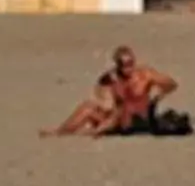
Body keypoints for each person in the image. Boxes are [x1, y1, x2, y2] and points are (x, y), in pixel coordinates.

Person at [43, 46, 178, 138]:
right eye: (124, 65)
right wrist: (106, 99)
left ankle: (96, 132)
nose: (128, 68)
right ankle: (60, 132)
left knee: (124, 109)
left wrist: (158, 96)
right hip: (118, 120)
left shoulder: (145, 74)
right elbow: (105, 99)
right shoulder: (111, 78)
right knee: (88, 106)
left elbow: (172, 84)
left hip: (139, 121)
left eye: (130, 63)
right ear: (118, 65)